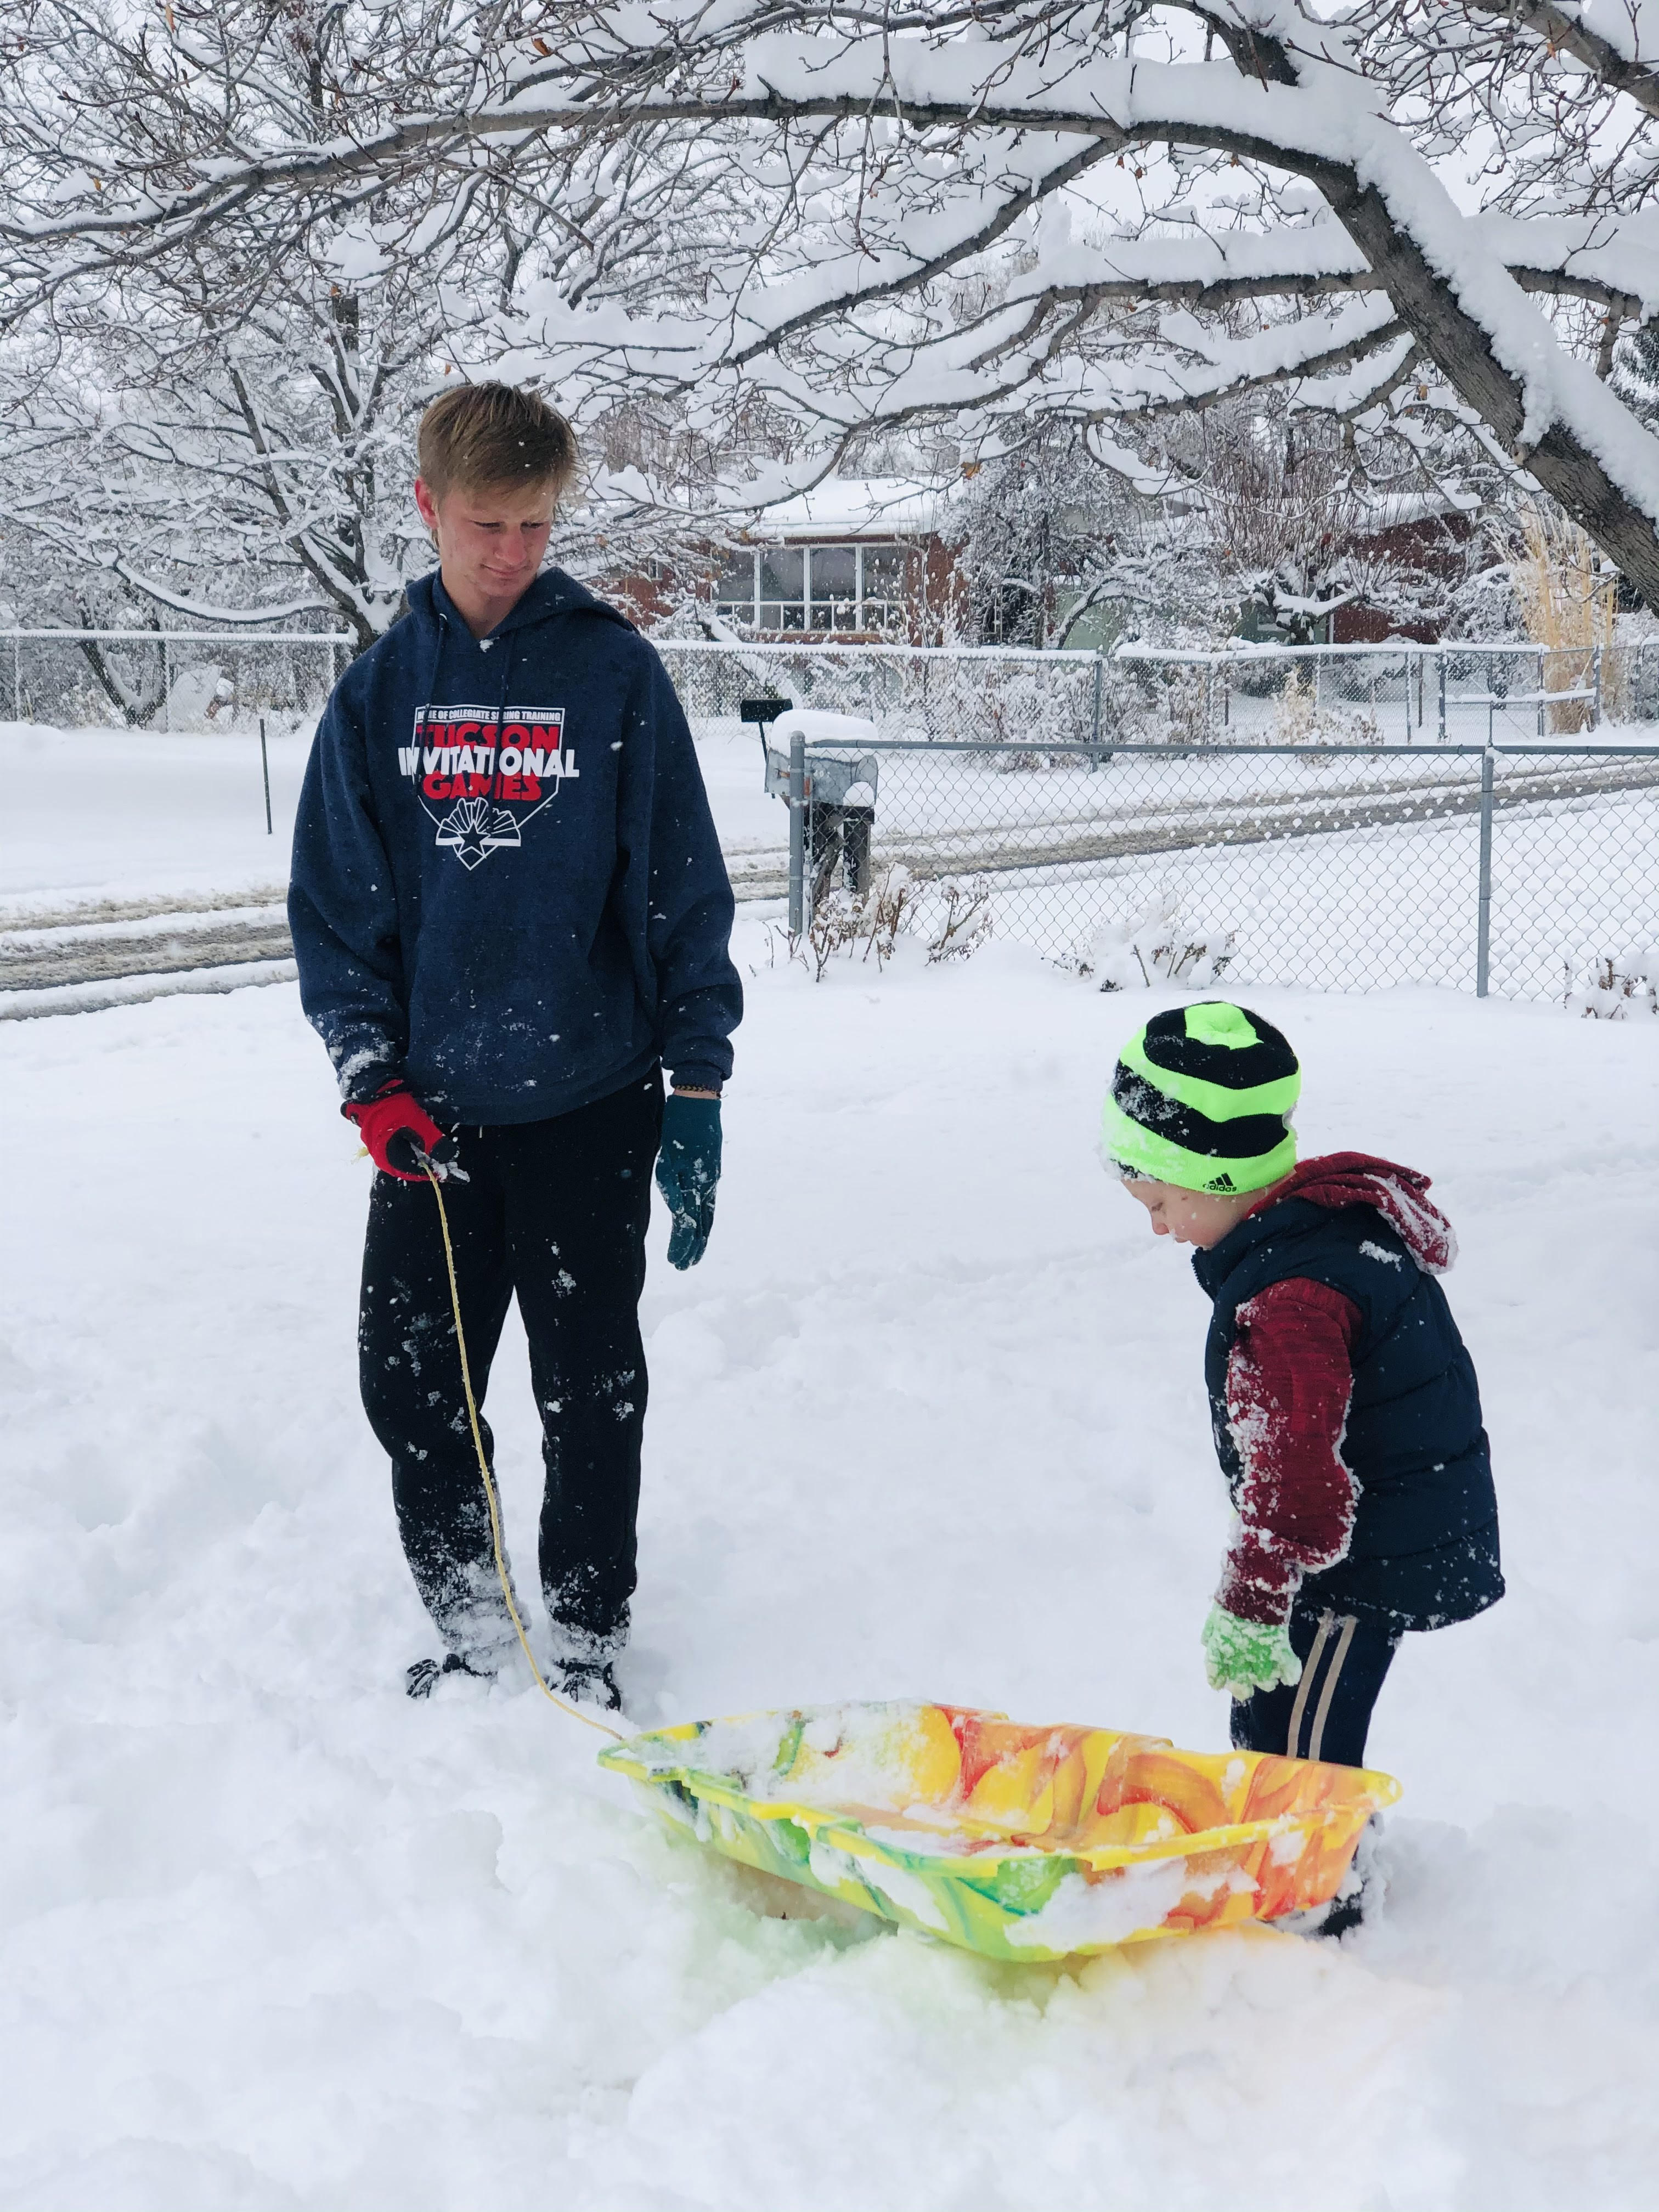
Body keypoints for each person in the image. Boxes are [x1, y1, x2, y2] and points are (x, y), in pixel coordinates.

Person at [288, 382, 741, 1710]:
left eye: (539, 525)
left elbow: (678, 891)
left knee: (591, 1385)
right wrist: (370, 1077)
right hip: (432, 1123)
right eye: (488, 524)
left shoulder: (612, 674)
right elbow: (339, 910)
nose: (516, 553)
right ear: (428, 508)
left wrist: (697, 1086)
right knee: (412, 1382)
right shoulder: (381, 694)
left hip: (592, 1102)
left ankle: (588, 1634)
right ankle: (477, 1625)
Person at [1102, 1000, 1502, 1929]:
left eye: (1161, 1202)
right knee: (1274, 1718)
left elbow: (1298, 1480)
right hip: (1359, 1530)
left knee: (1307, 1748)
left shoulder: (1293, 1299)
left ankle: (1318, 1902)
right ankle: (1275, 1859)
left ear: (1219, 1176)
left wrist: (1255, 1591)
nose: (1158, 1229)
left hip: (1369, 1549)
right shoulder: (1305, 1236)